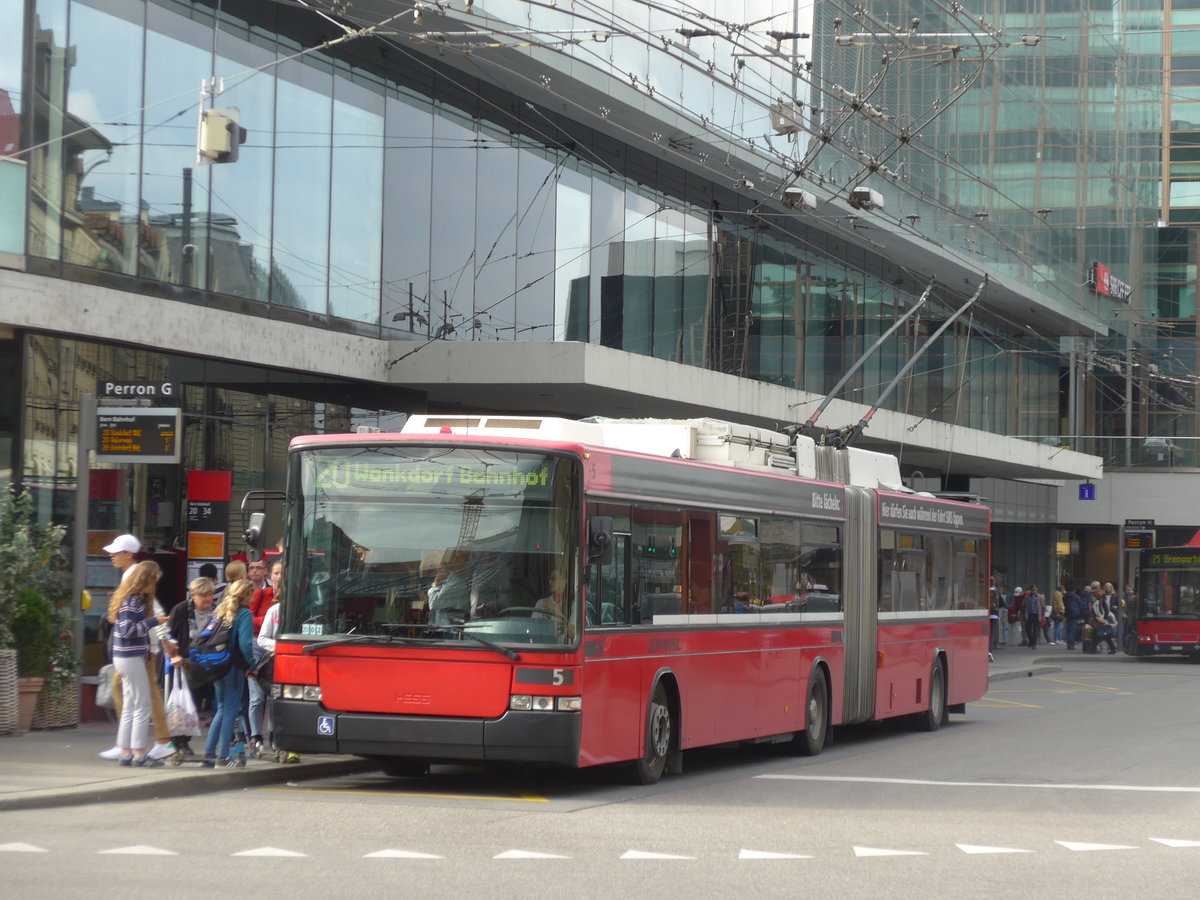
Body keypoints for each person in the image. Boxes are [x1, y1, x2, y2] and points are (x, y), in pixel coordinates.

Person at [98, 534, 174, 763]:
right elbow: (132, 628)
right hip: (134, 653)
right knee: (142, 703)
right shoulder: (135, 599)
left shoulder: (128, 591)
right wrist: (159, 628)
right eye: (154, 581)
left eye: (115, 552)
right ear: (146, 580)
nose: (111, 556)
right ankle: (140, 750)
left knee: (131, 701)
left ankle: (126, 750)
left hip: (126, 654)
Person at [202, 579, 259, 767]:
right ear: (248, 596)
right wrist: (252, 665)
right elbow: (245, 644)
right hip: (233, 667)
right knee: (230, 710)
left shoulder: (220, 611)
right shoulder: (245, 614)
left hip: (217, 665)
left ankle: (209, 753)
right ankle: (224, 755)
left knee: (220, 708)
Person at [162, 576, 217, 755]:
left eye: (211, 595)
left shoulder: (215, 612)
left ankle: (183, 740)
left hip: (203, 663)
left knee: (195, 703)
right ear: (193, 595)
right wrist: (174, 655)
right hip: (182, 662)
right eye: (204, 596)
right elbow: (168, 635)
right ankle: (178, 742)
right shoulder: (181, 610)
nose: (209, 599)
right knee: (182, 703)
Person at [426, 553, 470, 625]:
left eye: (441, 567)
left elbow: (434, 603)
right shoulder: (446, 581)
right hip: (443, 627)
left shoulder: (456, 582)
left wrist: (435, 583)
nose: (438, 571)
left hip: (452, 629)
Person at [534, 569, 576, 640]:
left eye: (553, 578)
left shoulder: (573, 605)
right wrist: (541, 623)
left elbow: (573, 633)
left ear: (565, 581)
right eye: (550, 579)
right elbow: (532, 631)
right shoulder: (541, 603)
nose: (550, 582)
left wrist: (559, 614)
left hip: (565, 649)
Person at [1091, 588, 1119, 654]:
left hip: (1104, 622)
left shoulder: (1102, 602)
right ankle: (1112, 650)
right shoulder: (1094, 603)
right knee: (1106, 636)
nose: (1092, 597)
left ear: (1096, 596)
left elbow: (1106, 611)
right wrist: (1097, 618)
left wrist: (1104, 619)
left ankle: (1094, 649)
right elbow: (1093, 613)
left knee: (1099, 635)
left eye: (1093, 596)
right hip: (1099, 621)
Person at [1063, 581, 1084, 650]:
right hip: (1075, 615)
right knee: (1073, 630)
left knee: (1068, 629)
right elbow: (1080, 606)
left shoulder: (1065, 596)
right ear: (1074, 589)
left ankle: (1069, 643)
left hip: (1068, 614)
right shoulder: (1076, 597)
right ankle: (1071, 644)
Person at [1023, 584, 1042, 649]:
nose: (1034, 591)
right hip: (1029, 614)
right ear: (1031, 591)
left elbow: (1043, 607)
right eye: (1032, 590)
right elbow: (1023, 606)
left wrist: (1043, 616)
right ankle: (1031, 641)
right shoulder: (1027, 597)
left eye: (1035, 590)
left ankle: (1034, 644)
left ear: (1037, 590)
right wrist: (1022, 614)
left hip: (1037, 615)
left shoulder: (1040, 597)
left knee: (1036, 630)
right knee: (1028, 629)